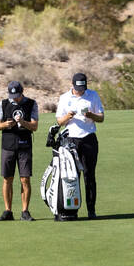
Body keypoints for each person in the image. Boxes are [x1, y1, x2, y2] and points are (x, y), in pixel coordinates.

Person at [56, 72, 105, 219]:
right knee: (73, 176)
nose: (80, 90)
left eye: (83, 87)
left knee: (89, 175)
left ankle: (91, 210)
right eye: (78, 87)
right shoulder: (64, 98)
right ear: (72, 85)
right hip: (71, 140)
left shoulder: (93, 95)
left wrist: (91, 116)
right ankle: (73, 210)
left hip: (89, 139)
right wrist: (68, 117)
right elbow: (59, 121)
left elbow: (101, 118)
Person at [0, 80, 39, 221]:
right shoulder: (3, 103)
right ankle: (8, 211)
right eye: (12, 96)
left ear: (22, 92)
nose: (14, 99)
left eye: (17, 96)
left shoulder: (31, 103)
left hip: (24, 145)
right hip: (8, 146)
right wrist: (5, 125)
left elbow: (35, 126)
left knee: (25, 179)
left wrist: (23, 123)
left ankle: (25, 211)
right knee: (7, 178)